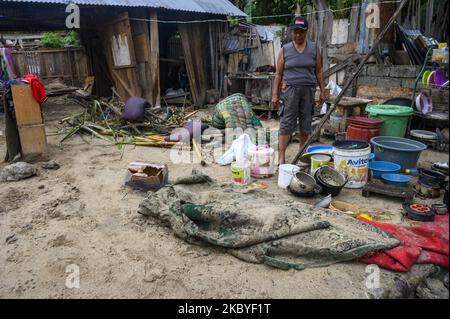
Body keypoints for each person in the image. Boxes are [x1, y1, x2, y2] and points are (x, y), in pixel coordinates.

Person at [272, 16, 326, 164]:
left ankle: (301, 152)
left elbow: (319, 71)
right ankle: (281, 155)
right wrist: (275, 94)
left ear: (306, 32)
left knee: (306, 122)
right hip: (289, 91)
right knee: (286, 122)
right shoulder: (285, 50)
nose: (298, 35)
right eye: (295, 32)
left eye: (301, 32)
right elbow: (278, 74)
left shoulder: (314, 48)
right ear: (291, 32)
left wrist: (322, 90)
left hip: (308, 91)